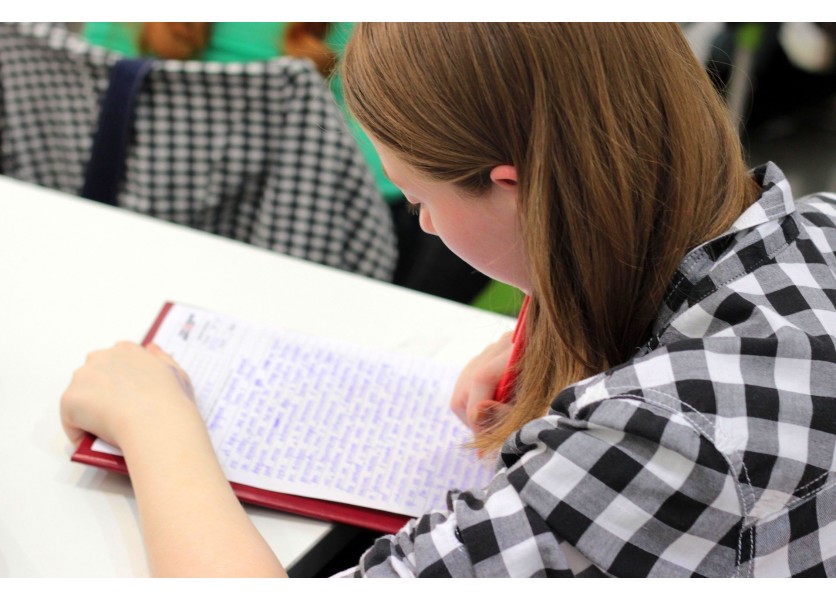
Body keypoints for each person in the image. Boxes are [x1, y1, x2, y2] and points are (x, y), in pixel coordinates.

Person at [60, 23, 836, 577]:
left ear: (515, 188)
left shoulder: (654, 446)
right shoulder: (819, 229)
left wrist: (157, 424)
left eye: (418, 200)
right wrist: (573, 329)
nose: (424, 224)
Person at [82, 22, 490, 304]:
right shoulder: (383, 32)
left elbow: (98, 107)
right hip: (321, 239)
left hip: (140, 217)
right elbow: (381, 162)